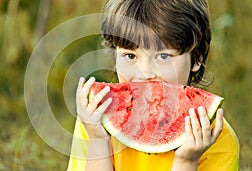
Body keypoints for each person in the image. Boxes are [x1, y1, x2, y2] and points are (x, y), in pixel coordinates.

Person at [67, 0, 239, 170]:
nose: (145, 74)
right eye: (130, 56)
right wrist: (98, 141)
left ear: (197, 58)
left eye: (163, 57)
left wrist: (186, 162)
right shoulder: (94, 119)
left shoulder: (219, 142)